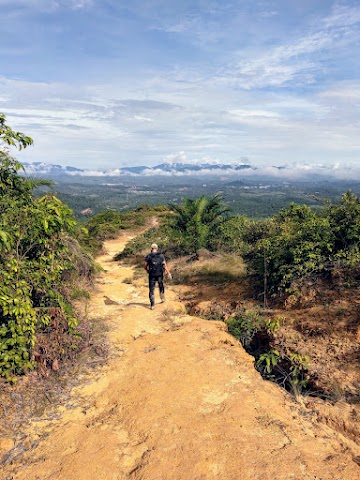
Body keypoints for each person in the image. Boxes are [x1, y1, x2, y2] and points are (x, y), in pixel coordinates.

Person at [144, 243, 172, 310]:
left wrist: (147, 271)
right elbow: (164, 265)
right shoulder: (161, 256)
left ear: (151, 248)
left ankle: (152, 305)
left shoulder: (148, 256)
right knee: (161, 286)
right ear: (157, 248)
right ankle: (162, 298)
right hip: (159, 274)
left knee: (151, 289)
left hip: (152, 275)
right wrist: (168, 273)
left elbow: (145, 266)